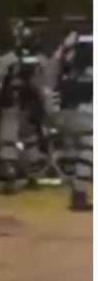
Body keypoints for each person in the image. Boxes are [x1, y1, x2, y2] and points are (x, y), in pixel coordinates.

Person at [0, 20, 48, 193]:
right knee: (20, 141)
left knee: (24, 141)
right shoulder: (24, 58)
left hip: (24, 103)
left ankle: (28, 177)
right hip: (17, 102)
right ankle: (21, 178)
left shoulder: (16, 58)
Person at [43, 31, 92, 211]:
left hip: (67, 118)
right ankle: (78, 195)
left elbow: (50, 69)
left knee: (84, 152)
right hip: (81, 118)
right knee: (89, 151)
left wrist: (63, 47)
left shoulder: (69, 72)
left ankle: (76, 189)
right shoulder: (84, 74)